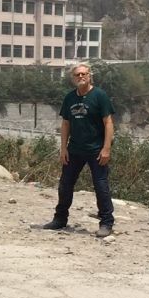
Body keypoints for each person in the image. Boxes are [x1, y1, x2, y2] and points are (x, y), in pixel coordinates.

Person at [43, 63, 115, 238]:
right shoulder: (69, 98)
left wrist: (106, 149)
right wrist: (63, 149)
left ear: (89, 76)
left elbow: (108, 123)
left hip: (96, 150)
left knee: (101, 186)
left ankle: (106, 223)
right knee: (65, 185)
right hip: (74, 150)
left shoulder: (100, 96)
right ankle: (60, 219)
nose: (81, 77)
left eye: (84, 74)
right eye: (77, 75)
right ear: (73, 78)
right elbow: (66, 123)